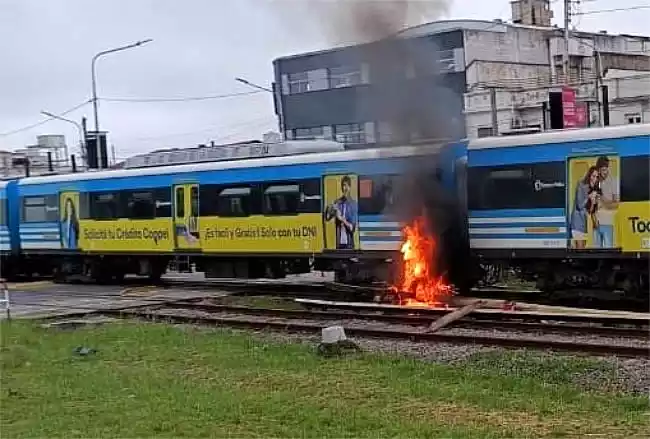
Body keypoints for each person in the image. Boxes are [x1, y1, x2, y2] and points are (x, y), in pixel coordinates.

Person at [570, 166, 600, 249]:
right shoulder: (581, 184)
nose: (595, 179)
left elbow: (589, 211)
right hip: (577, 222)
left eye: (597, 177)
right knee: (580, 249)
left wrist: (594, 202)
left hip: (584, 223)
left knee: (583, 248)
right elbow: (579, 205)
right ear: (589, 175)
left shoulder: (593, 189)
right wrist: (589, 197)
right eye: (593, 176)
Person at [325, 175, 357, 250]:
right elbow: (327, 218)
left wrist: (341, 219)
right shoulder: (337, 202)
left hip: (349, 244)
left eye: (346, 186)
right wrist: (329, 209)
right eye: (343, 185)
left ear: (350, 187)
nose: (344, 188)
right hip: (339, 244)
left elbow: (352, 228)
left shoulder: (353, 204)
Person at [593, 156, 619, 248]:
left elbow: (617, 204)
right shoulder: (595, 182)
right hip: (595, 223)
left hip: (608, 222)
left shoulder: (613, 181)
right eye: (603, 170)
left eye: (606, 169)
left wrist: (603, 200)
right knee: (595, 251)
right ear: (598, 170)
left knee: (608, 249)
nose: (605, 172)